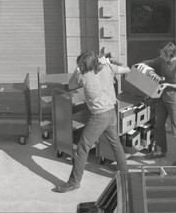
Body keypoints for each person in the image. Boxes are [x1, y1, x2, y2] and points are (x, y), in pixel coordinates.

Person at [54, 51, 130, 193]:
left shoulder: (82, 75)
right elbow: (127, 69)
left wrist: (76, 71)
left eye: (80, 64)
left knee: (82, 148)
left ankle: (73, 182)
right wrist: (112, 61)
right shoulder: (108, 68)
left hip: (99, 117)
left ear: (85, 64)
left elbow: (70, 86)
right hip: (111, 113)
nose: (79, 66)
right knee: (115, 143)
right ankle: (125, 174)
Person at [142, 42, 176, 166]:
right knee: (159, 126)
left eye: (163, 53)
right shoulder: (161, 60)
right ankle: (160, 151)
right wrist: (140, 65)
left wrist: (168, 85)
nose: (160, 54)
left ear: (170, 55)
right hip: (162, 99)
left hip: (174, 101)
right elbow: (151, 62)